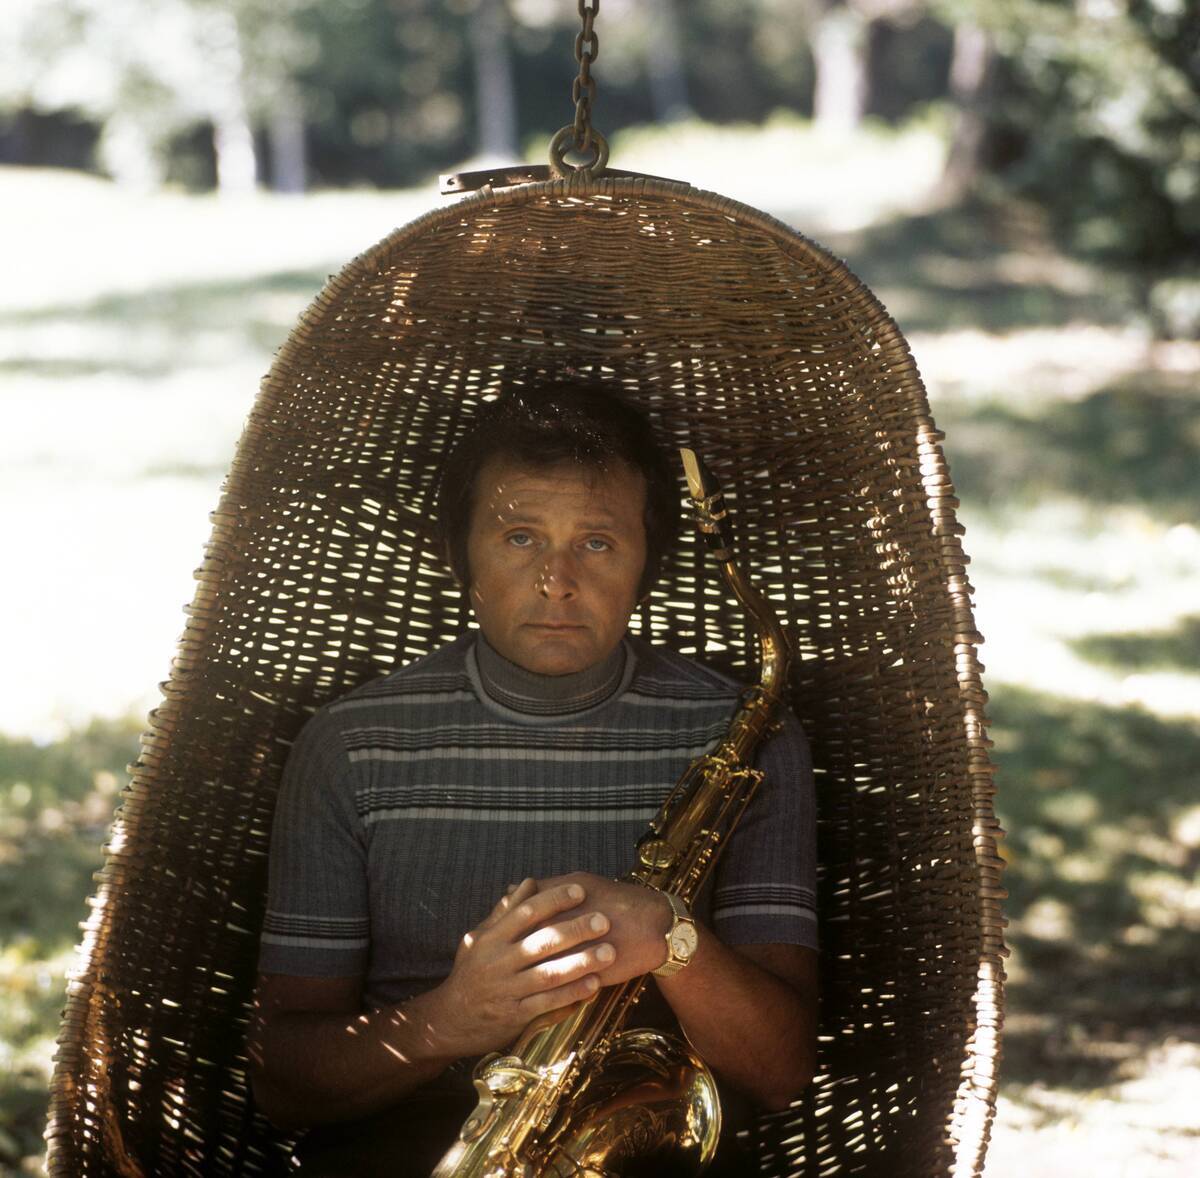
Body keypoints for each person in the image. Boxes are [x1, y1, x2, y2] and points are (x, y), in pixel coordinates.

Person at [248, 383, 819, 1175]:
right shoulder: (352, 745)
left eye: (597, 543)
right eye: (520, 537)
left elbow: (781, 1073)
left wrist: (670, 939)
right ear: (460, 556)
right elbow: (281, 1083)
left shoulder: (743, 737)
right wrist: (451, 1019)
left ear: (646, 562)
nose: (557, 581)